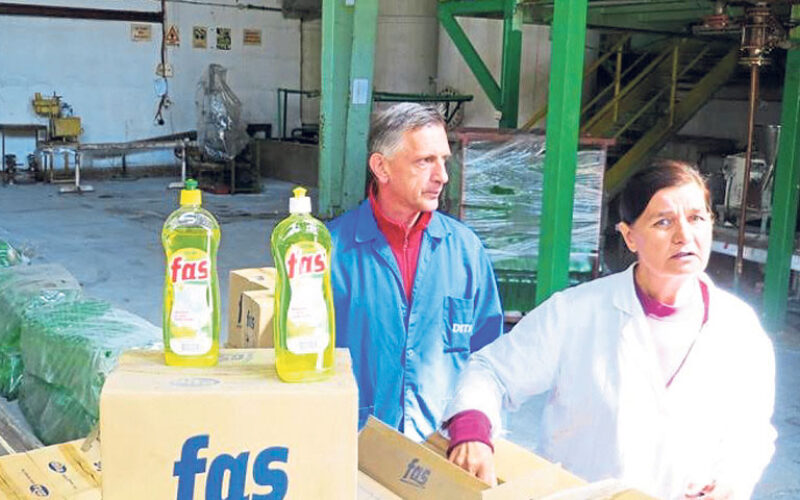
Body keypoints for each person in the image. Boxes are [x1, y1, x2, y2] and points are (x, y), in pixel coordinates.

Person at [442, 162, 776, 499]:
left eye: (696, 218)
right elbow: (492, 372)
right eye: (663, 222)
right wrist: (471, 430)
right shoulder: (576, 313)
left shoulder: (738, 328)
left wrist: (730, 481)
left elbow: (752, 432)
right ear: (630, 236)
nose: (684, 236)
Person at [328, 103, 504, 442]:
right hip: (352, 445)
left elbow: (489, 359)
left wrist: (473, 428)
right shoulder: (330, 253)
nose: (442, 176)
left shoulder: (465, 252)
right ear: (381, 167)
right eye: (425, 161)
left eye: (444, 160)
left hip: (441, 445)